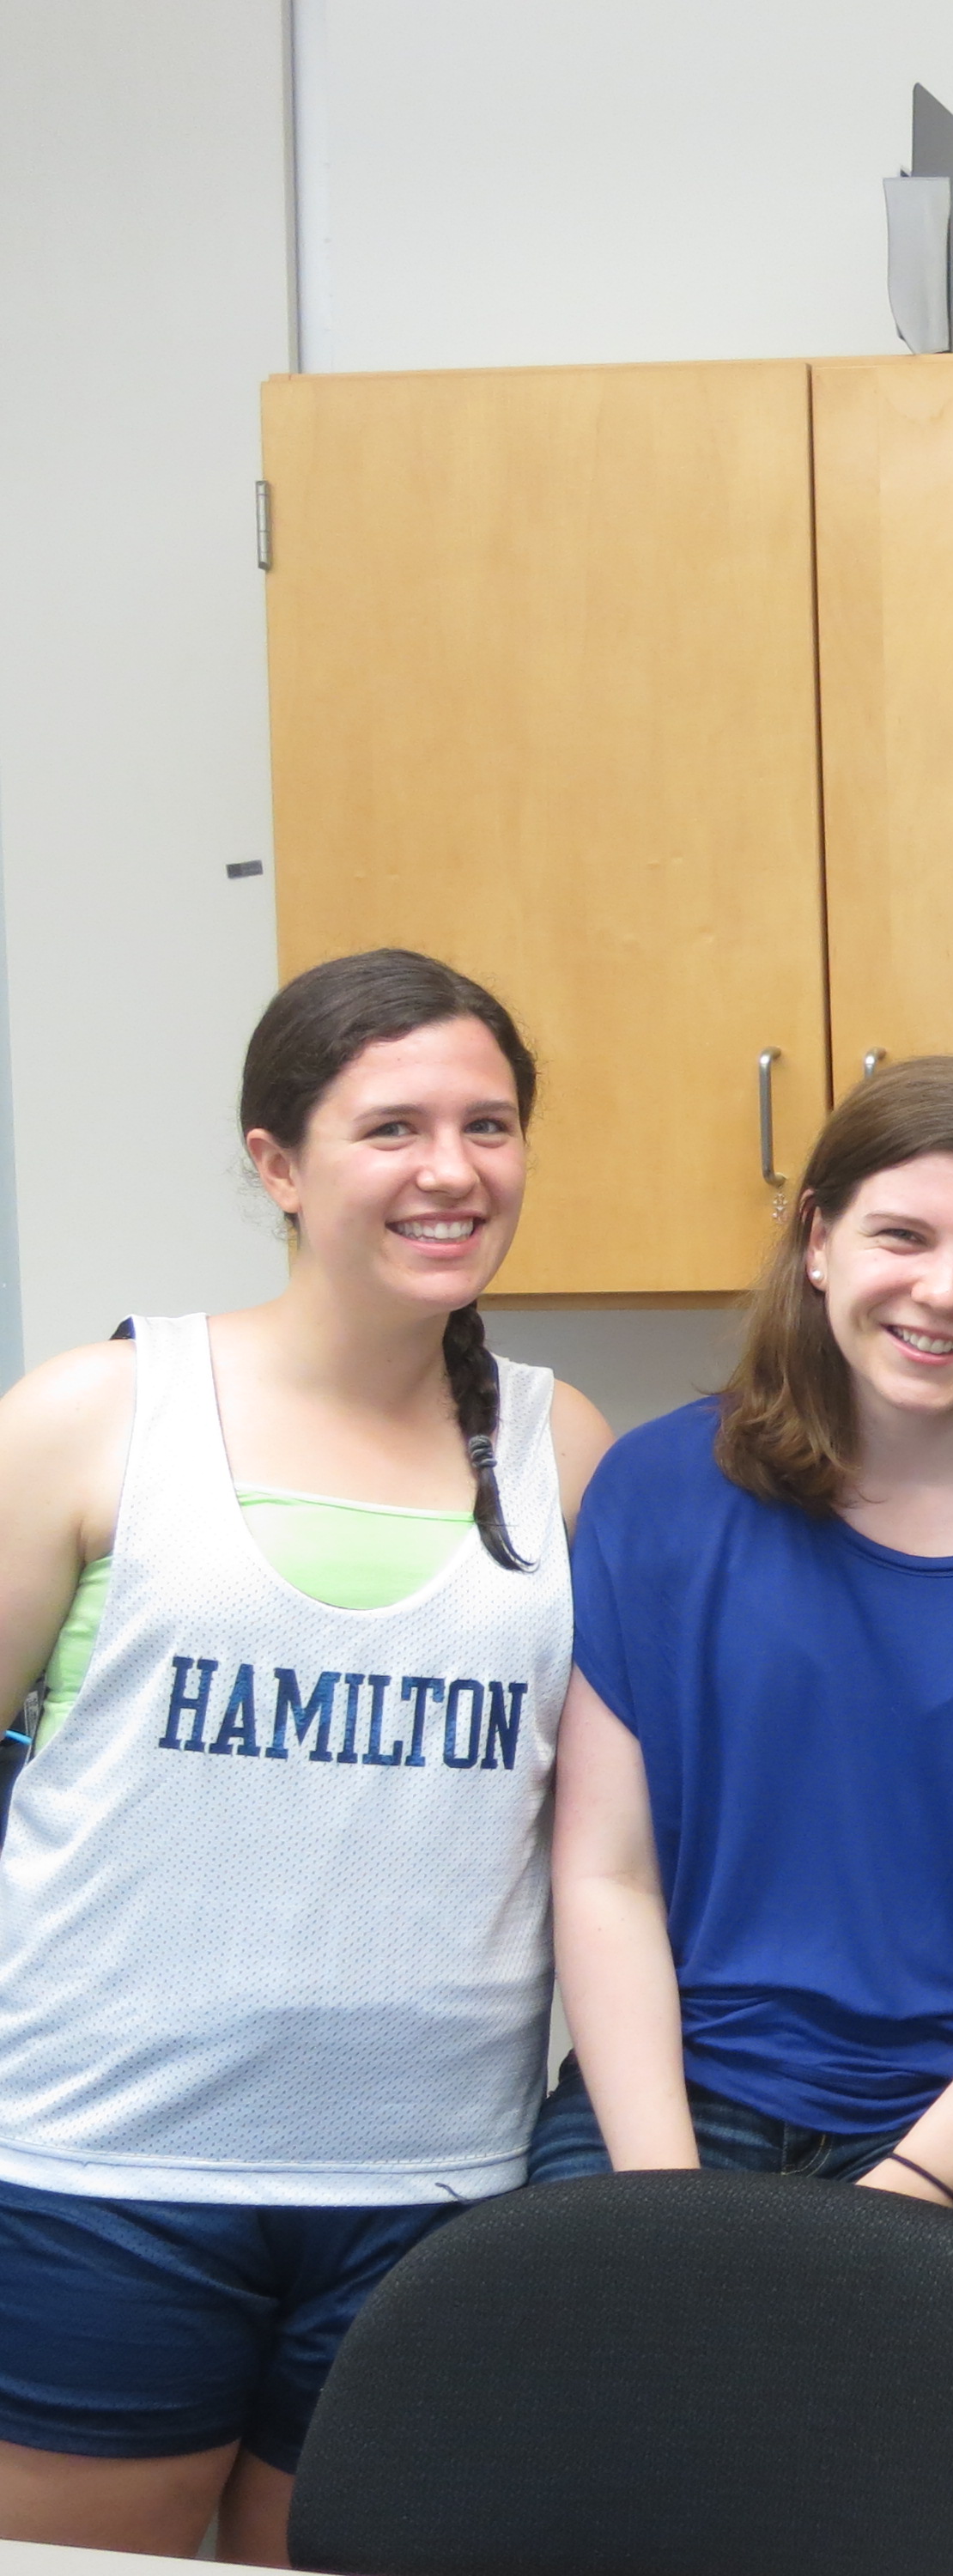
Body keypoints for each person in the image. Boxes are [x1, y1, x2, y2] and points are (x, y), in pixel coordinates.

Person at [0, 951, 610, 2563]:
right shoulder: (96, 1413)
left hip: (435, 2190)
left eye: (489, 1126)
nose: (451, 1171)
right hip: (96, 2172)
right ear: (276, 1163)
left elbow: (615, 1834)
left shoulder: (570, 1450)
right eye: (391, 1127)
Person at [542, 1055, 953, 2283]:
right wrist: (665, 2200)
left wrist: (910, 2188)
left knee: (908, 2451)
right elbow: (606, 1876)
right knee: (620, 2436)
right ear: (817, 1240)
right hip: (681, 2089)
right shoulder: (655, 1492)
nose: (943, 1292)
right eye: (900, 1234)